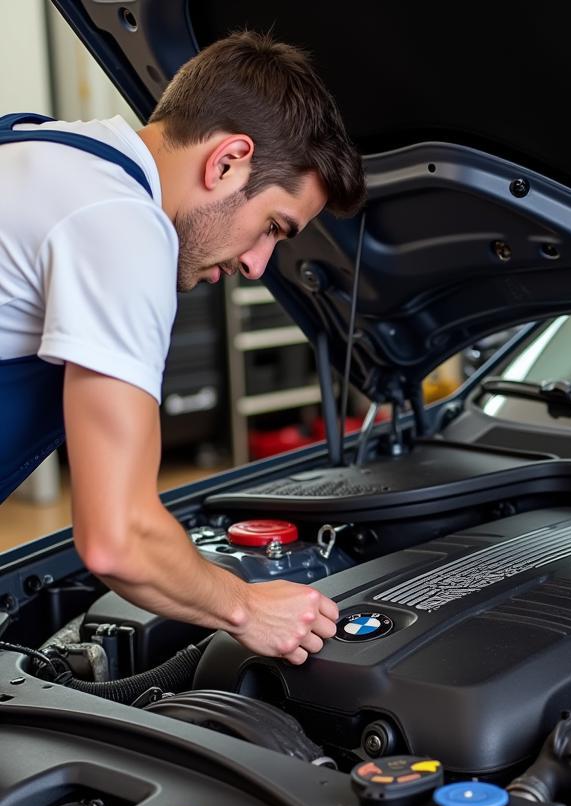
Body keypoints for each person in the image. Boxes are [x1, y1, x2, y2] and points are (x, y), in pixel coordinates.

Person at [0, 32, 366, 664]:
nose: (258, 265)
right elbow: (120, 540)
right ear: (228, 161)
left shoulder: (37, 146)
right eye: (273, 227)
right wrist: (247, 606)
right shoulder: (120, 227)